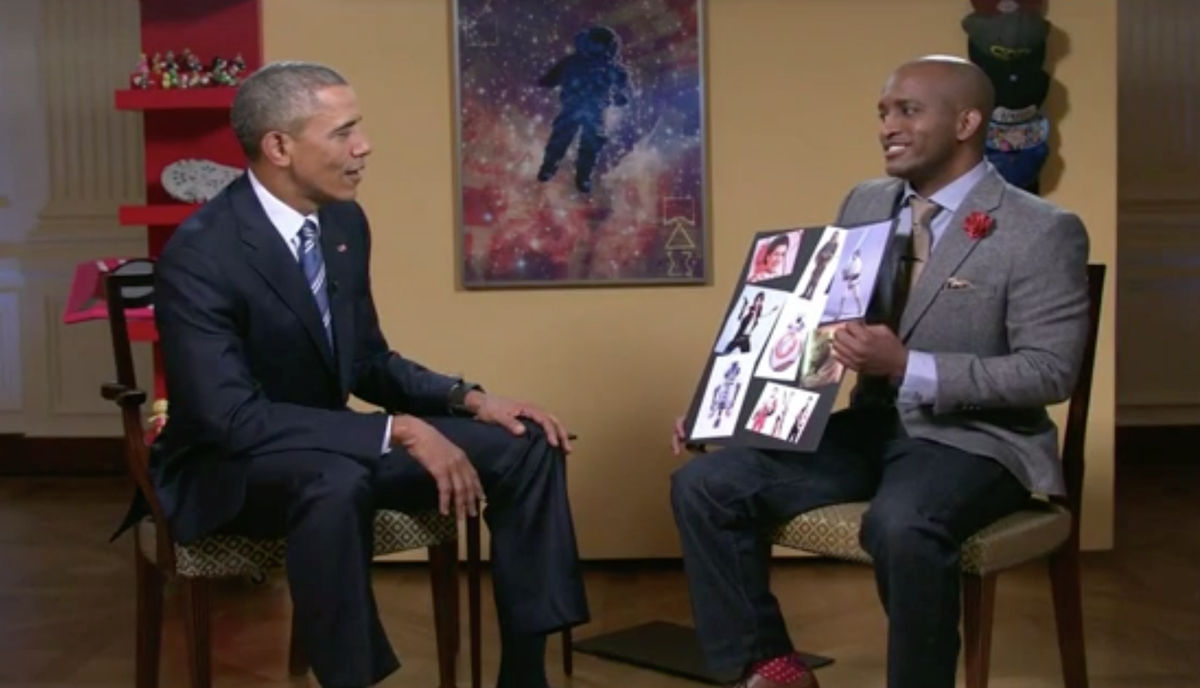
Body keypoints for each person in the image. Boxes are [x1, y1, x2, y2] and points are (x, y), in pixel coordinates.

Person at [119, 61, 590, 688]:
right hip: (228, 468)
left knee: (525, 443)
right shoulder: (201, 253)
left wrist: (470, 399)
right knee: (334, 481)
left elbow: (366, 360)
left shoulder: (343, 223)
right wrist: (399, 431)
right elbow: (230, 419)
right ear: (279, 146)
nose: (363, 146)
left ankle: (525, 677)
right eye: (343, 132)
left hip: (333, 444)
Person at [669, 55, 1090, 688]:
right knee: (707, 485)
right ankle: (770, 668)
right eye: (883, 112)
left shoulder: (1041, 230)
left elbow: (1049, 372)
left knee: (902, 524)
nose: (887, 126)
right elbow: (820, 327)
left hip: (979, 442)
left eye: (908, 111)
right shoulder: (865, 201)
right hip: (870, 429)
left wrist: (908, 366)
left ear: (967, 122)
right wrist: (727, 411)